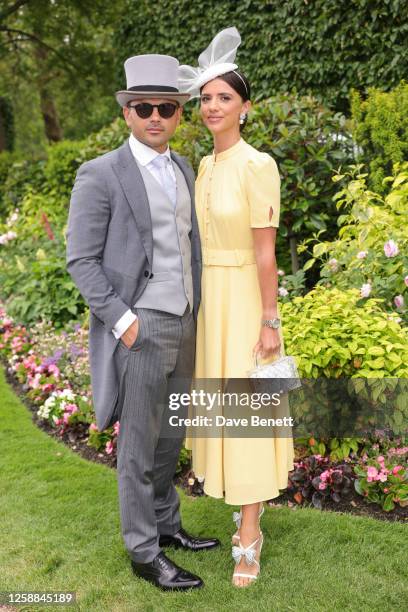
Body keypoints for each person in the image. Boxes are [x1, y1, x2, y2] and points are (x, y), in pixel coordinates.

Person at [66, 54, 220, 592]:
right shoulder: (101, 173)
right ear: (127, 113)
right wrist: (123, 320)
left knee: (169, 436)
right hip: (140, 324)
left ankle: (167, 525)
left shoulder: (182, 169)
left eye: (166, 107)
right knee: (136, 444)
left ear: (179, 114)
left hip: (184, 321)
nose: (156, 116)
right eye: (143, 107)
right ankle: (142, 551)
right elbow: (81, 261)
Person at [179, 28, 295, 587]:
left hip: (247, 301)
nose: (212, 107)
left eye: (224, 97)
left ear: (245, 108)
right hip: (211, 304)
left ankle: (248, 536)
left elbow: (266, 254)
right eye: (205, 98)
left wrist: (270, 322)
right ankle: (246, 509)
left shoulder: (257, 165)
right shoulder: (204, 166)